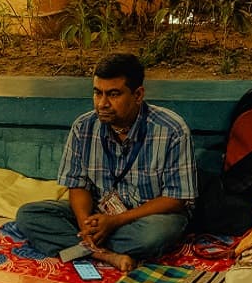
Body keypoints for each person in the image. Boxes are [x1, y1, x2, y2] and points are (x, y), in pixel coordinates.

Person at [15, 53, 198, 271]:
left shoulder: (172, 129)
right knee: (29, 216)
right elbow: (77, 186)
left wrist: (115, 222)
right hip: (99, 212)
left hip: (148, 217)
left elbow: (176, 199)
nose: (102, 104)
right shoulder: (83, 127)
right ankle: (105, 254)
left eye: (113, 94)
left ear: (138, 95)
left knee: (155, 235)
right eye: (97, 93)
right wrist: (86, 226)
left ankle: (81, 247)